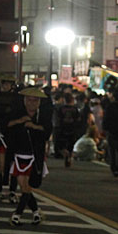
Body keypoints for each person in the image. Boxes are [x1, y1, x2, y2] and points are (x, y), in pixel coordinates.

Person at [7, 87, 53, 226]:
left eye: (35, 100)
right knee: (24, 186)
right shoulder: (17, 113)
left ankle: (17, 214)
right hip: (19, 153)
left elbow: (47, 132)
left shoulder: (43, 116)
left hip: (35, 155)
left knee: (27, 186)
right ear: (24, 100)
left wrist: (33, 126)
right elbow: (7, 126)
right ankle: (36, 213)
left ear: (39, 102)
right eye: (29, 100)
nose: (32, 103)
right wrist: (20, 121)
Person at [55, 92, 80, 167]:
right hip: (72, 128)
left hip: (63, 128)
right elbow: (78, 119)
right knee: (70, 144)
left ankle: (65, 153)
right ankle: (69, 156)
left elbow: (58, 118)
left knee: (61, 144)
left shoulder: (61, 108)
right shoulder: (75, 109)